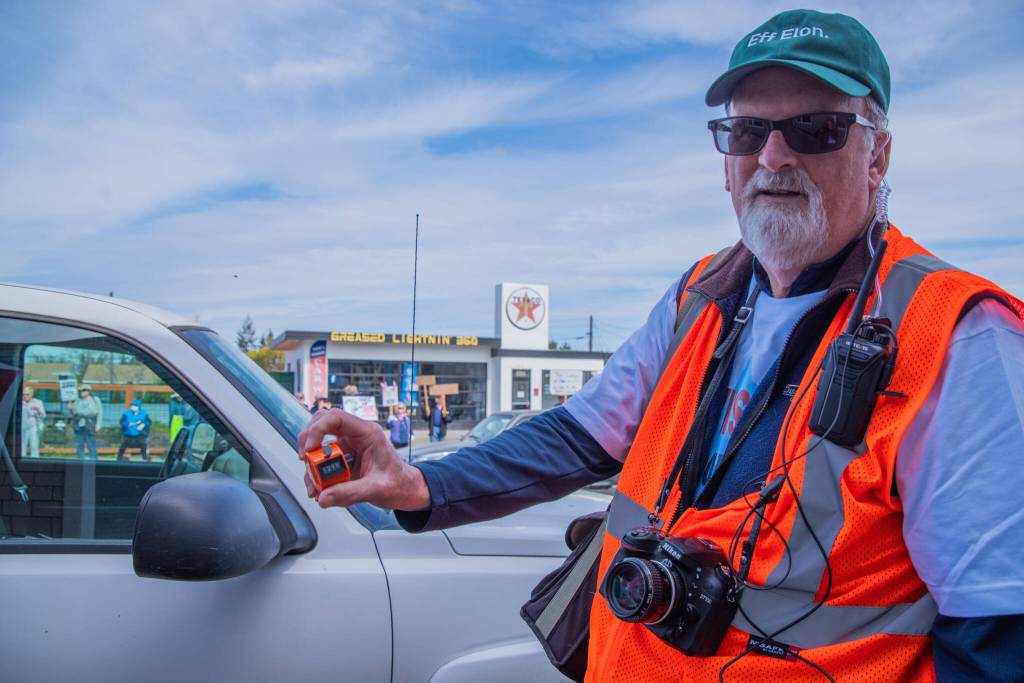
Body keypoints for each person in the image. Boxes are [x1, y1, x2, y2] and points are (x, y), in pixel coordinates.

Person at [297, 10, 1024, 681]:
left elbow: (996, 629)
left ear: (877, 155)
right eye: (746, 133)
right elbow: (579, 434)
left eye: (815, 128)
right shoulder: (700, 295)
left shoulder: (958, 336)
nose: (773, 155)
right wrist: (423, 483)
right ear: (725, 158)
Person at [70, 384, 102, 460]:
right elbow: (74, 412)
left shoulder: (95, 400)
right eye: (80, 390)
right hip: (79, 425)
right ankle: (80, 461)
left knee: (91, 444)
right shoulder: (78, 400)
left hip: (90, 424)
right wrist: (71, 408)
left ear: (88, 391)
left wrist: (98, 424)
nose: (81, 392)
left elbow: (96, 412)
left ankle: (94, 461)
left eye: (83, 390)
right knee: (79, 444)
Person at [20, 387, 45, 458]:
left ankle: (35, 461)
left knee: (34, 445)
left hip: (33, 425)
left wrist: (37, 409)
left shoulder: (38, 402)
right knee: (22, 445)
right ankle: (21, 461)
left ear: (32, 394)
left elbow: (43, 416)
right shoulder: (20, 402)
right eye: (24, 394)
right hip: (22, 425)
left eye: (27, 394)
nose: (25, 396)